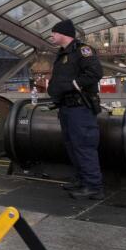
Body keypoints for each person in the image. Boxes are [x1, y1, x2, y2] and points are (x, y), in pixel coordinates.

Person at [46, 19, 105, 200]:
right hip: (67, 107)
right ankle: (81, 180)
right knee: (72, 146)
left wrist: (74, 84)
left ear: (63, 33)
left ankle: (93, 187)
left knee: (84, 146)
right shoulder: (63, 53)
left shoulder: (82, 51)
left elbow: (95, 72)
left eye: (54, 32)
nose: (52, 36)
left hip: (80, 108)